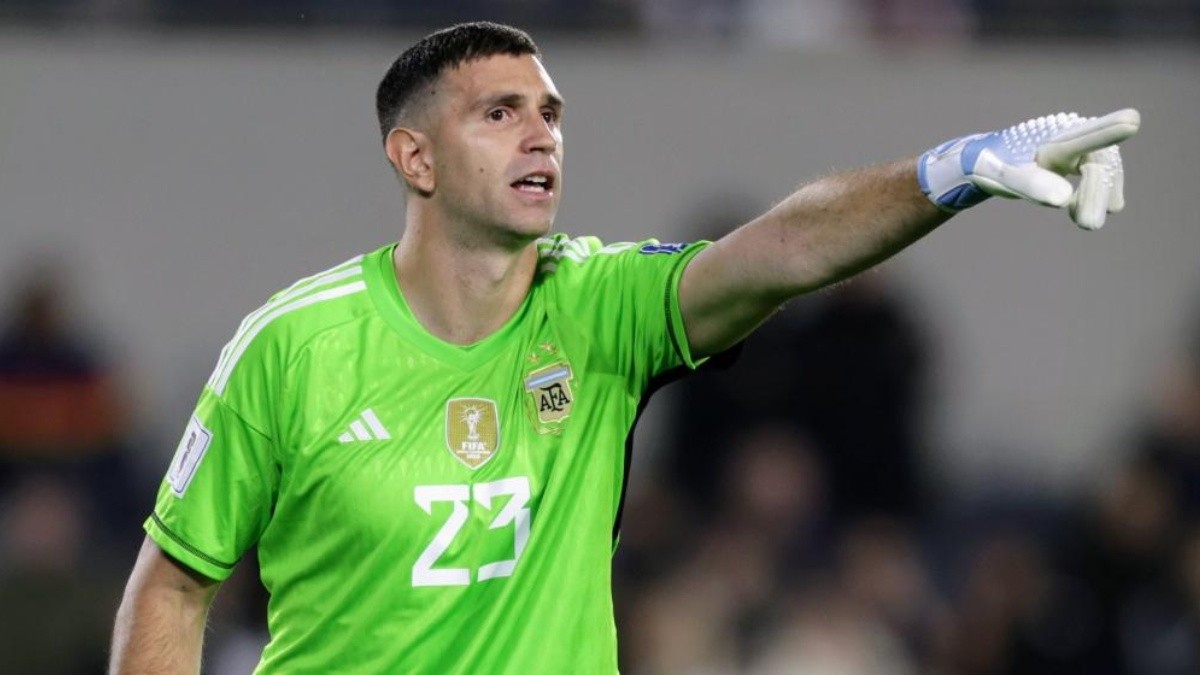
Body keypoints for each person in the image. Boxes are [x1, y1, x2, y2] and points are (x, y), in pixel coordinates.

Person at [108, 21, 1139, 674]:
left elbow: (780, 250)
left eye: (551, 113)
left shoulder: (600, 305)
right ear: (413, 157)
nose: (541, 134)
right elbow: (175, 582)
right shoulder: (292, 347)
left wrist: (951, 169)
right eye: (501, 113)